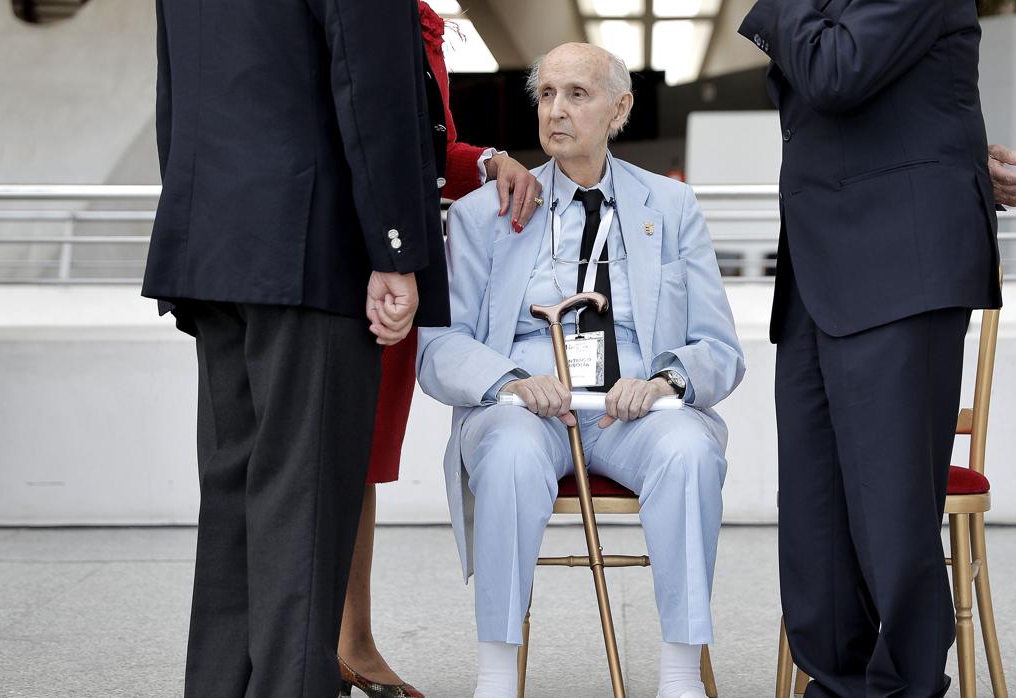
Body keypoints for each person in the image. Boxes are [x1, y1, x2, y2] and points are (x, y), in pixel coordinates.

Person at [417, 43, 745, 698]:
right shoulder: (486, 213)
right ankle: (496, 677)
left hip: (633, 408)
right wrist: (510, 380)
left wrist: (663, 381)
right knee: (508, 454)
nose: (556, 110)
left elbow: (719, 346)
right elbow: (440, 345)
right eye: (546, 95)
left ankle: (680, 677)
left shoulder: (671, 208)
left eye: (577, 94)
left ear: (619, 107)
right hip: (524, 406)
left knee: (688, 450)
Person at [142, 1, 448, 695]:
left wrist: (197, 223)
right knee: (303, 503)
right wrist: (394, 245)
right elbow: (372, 85)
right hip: (311, 243)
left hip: (213, 240)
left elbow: (174, 90)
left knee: (233, 500)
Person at [738, 1, 1009, 696]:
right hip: (817, 266)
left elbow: (836, 73)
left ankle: (907, 687)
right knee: (812, 515)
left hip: (900, 260)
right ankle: (834, 683)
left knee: (892, 510)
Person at [336, 5, 541, 697]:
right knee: (321, 459)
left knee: (359, 465)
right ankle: (326, 641)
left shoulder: (422, 25)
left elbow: (420, 151)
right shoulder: (360, 16)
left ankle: (350, 640)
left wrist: (489, 161)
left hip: (402, 270)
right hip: (347, 263)